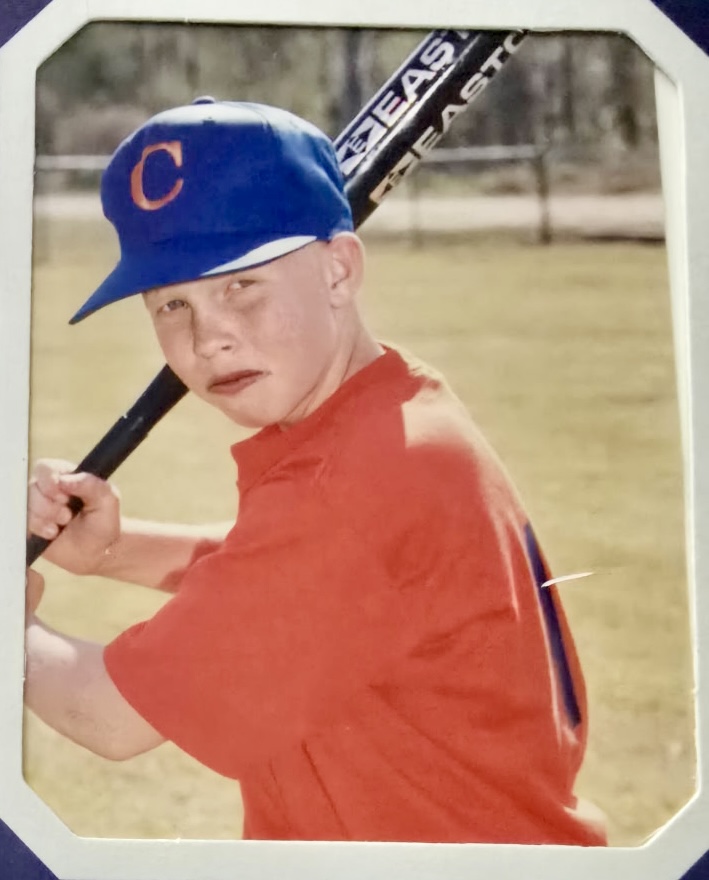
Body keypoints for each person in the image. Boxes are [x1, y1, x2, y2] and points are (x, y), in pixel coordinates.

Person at [25, 98, 607, 845]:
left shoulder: (356, 487)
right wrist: (112, 550)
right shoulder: (391, 417)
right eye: (171, 303)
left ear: (338, 269)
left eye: (241, 284)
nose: (208, 337)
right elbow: (284, 573)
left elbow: (109, 716)